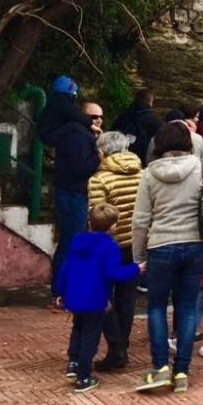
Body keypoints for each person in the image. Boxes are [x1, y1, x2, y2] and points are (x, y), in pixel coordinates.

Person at [132, 122, 203, 394]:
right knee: (186, 307)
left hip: (160, 246)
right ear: (188, 142)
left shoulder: (149, 174)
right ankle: (182, 371)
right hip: (196, 246)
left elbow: (140, 220)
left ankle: (160, 366)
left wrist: (139, 255)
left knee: (157, 307)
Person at [57, 203, 142, 393]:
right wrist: (136, 269)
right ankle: (84, 376)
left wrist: (60, 292)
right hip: (96, 298)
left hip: (75, 295)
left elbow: (66, 268)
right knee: (90, 336)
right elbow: (114, 273)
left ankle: (73, 362)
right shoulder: (109, 246)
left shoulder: (78, 241)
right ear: (112, 226)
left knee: (77, 329)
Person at [87, 131, 143, 372]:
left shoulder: (99, 180)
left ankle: (115, 346)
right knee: (127, 297)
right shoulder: (143, 174)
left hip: (109, 247)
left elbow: (96, 214)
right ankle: (123, 346)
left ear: (103, 151)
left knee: (103, 298)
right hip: (136, 244)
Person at [50, 100, 102, 300]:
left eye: (100, 117)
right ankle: (61, 292)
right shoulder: (76, 135)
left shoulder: (82, 135)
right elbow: (81, 167)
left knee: (72, 242)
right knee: (70, 243)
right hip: (72, 193)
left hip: (73, 192)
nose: (98, 120)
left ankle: (65, 289)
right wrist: (98, 156)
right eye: (93, 116)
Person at [113, 89, 163, 166]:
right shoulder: (156, 121)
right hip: (145, 163)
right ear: (151, 102)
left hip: (122, 160)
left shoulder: (122, 118)